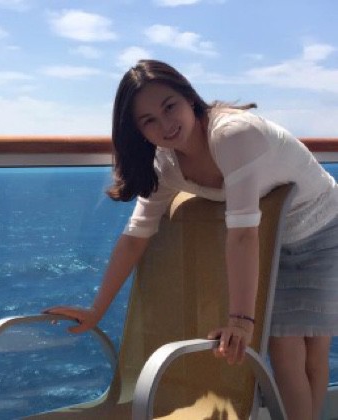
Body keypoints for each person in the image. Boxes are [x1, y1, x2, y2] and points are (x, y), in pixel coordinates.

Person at [43, 59, 338, 420]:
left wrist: (240, 321)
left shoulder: (233, 135)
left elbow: (242, 234)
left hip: (323, 227)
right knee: (286, 351)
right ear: (138, 131)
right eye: (149, 120)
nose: (165, 124)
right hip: (271, 243)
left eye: (169, 107)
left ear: (189, 98)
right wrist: (96, 310)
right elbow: (135, 237)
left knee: (313, 350)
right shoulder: (166, 166)